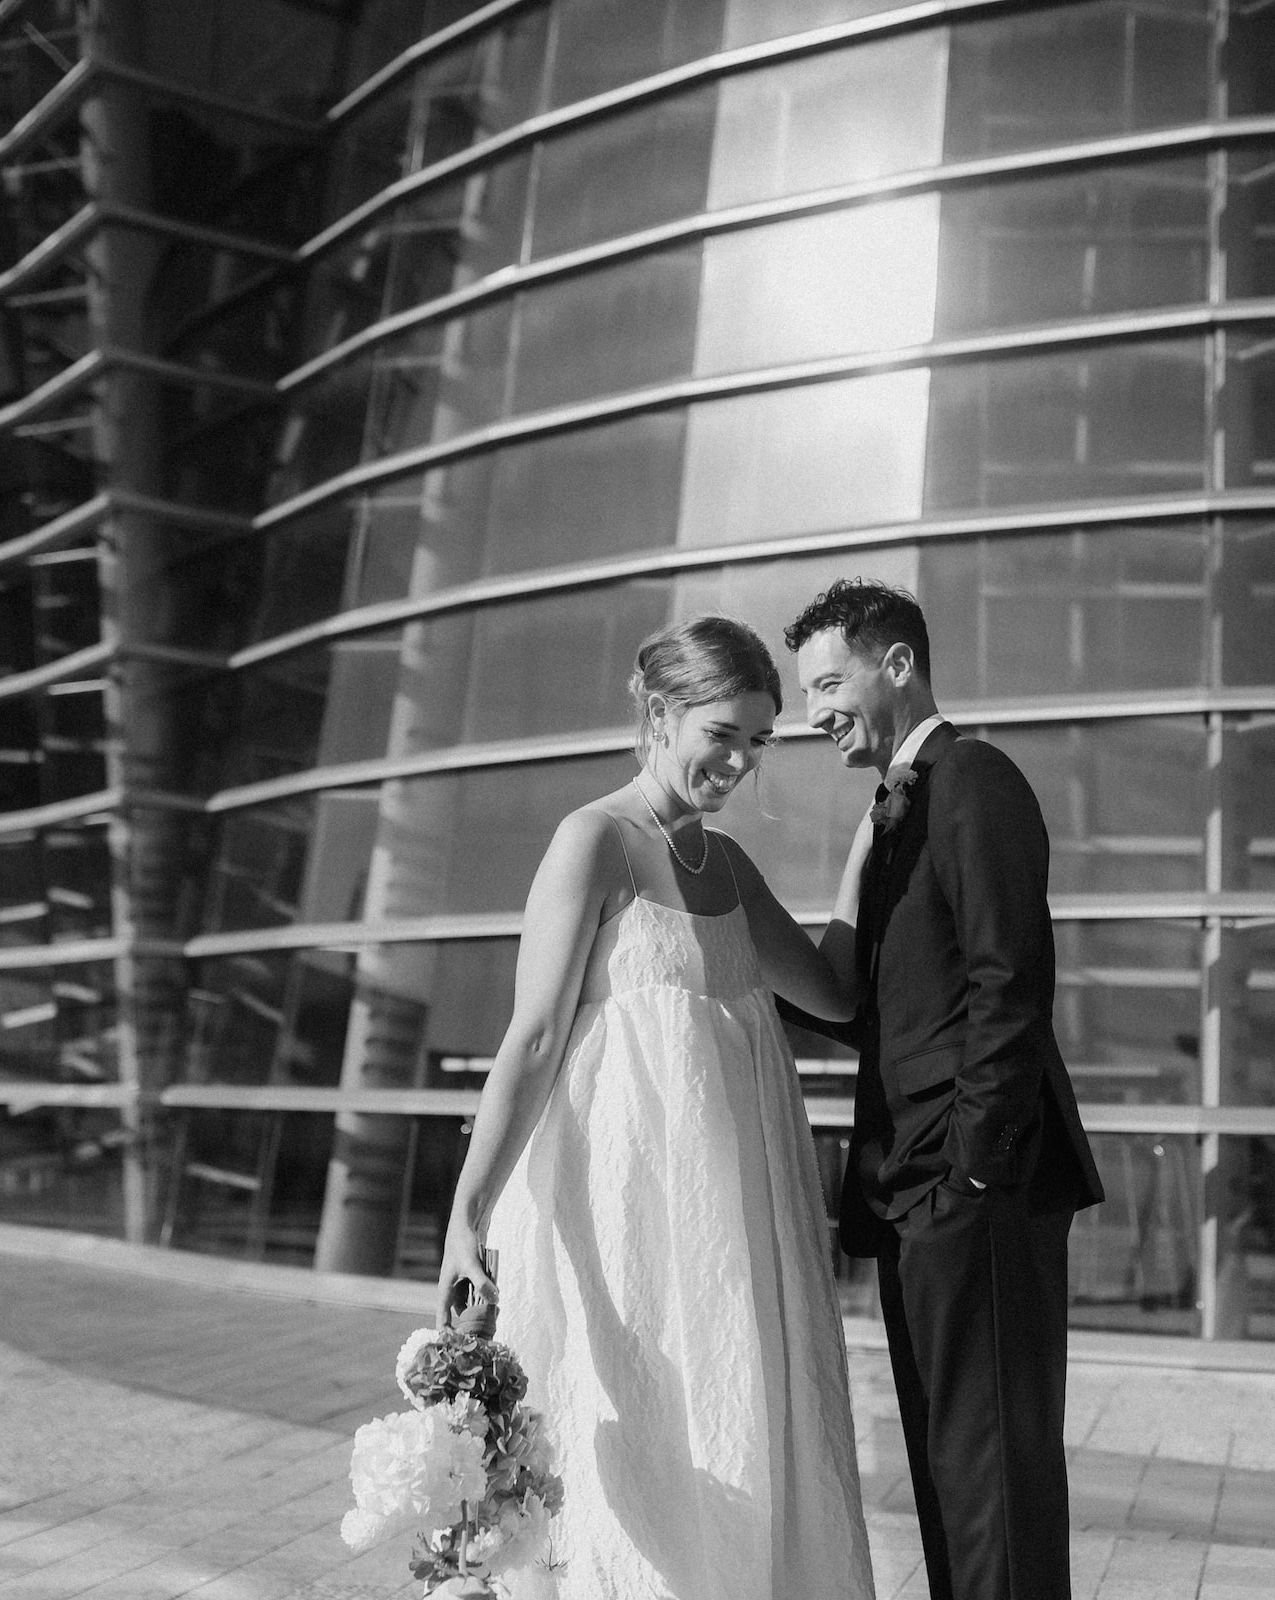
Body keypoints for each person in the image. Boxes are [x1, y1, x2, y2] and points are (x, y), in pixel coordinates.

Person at [437, 615, 880, 1600]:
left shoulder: (727, 869)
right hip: (621, 1212)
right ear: (660, 713)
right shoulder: (592, 841)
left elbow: (837, 992)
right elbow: (535, 1038)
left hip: (727, 1232)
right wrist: (467, 1217)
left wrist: (872, 836)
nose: (741, 760)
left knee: (723, 1421)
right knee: (628, 1431)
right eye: (724, 732)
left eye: (760, 741)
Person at [784, 580, 1106, 1600]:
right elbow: (864, 1002)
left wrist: (972, 1173)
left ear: (897, 665)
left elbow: (1011, 979)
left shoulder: (974, 780)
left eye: (827, 682)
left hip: (974, 1194)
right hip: (912, 1193)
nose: (813, 713)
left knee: (993, 1468)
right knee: (942, 1464)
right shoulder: (890, 817)